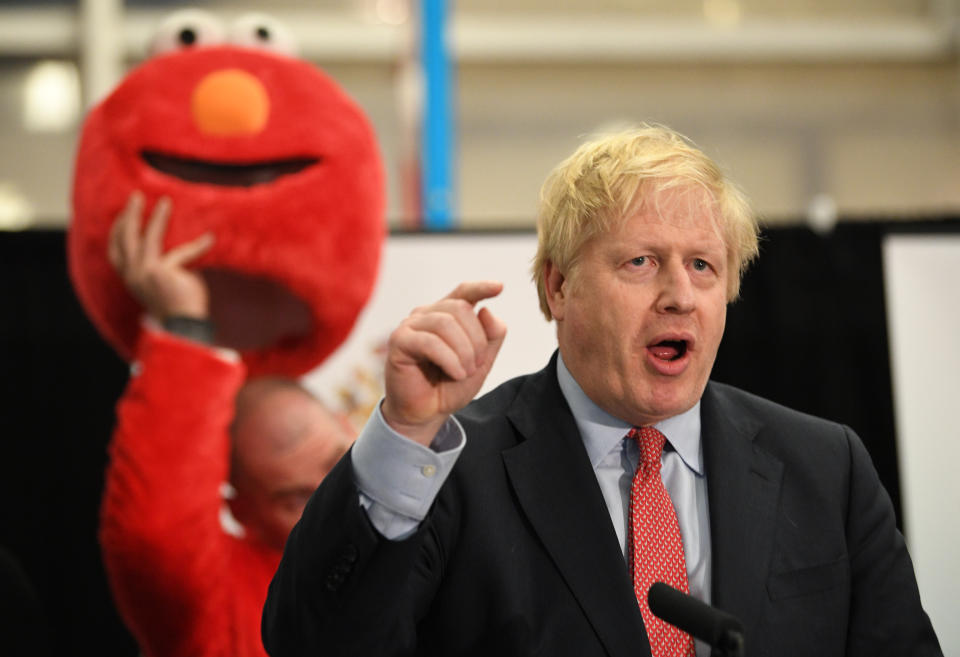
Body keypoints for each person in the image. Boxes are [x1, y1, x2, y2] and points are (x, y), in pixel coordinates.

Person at [262, 124, 942, 657]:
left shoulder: (826, 466)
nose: (679, 295)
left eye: (703, 266)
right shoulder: (454, 472)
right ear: (560, 287)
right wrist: (405, 431)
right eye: (641, 261)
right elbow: (314, 643)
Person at [99, 192, 353, 657]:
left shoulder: (430, 550)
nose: (331, 501)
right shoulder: (220, 604)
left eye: (338, 463)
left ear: (353, 431)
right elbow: (156, 536)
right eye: (295, 498)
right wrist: (184, 326)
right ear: (242, 513)